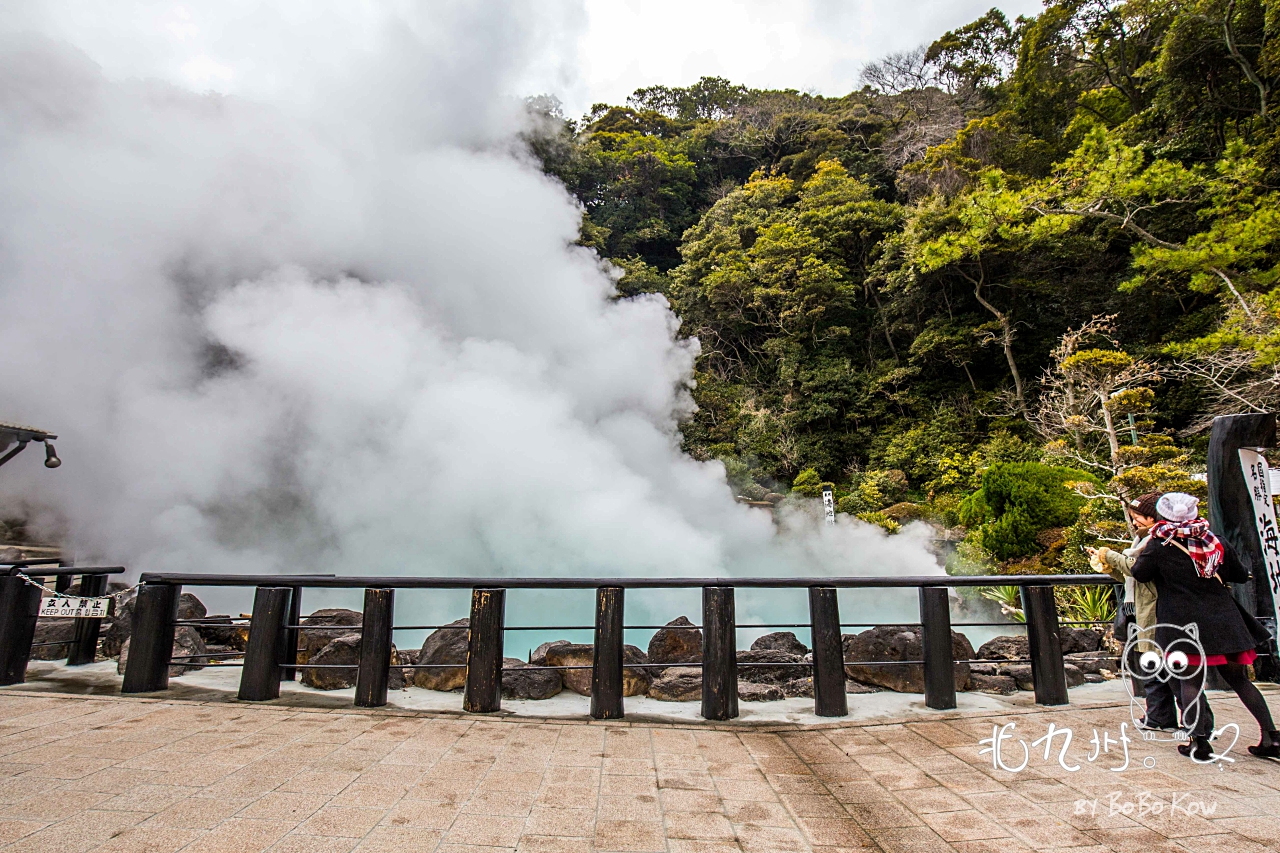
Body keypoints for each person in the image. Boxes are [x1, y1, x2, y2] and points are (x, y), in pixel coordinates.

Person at [1130, 492, 1280, 761]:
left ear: (1164, 515)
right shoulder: (1214, 540)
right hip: (1224, 620)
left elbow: (1140, 573)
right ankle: (1271, 736)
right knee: (1240, 679)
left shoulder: (1159, 544)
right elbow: (1238, 573)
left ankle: (1198, 742)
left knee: (1190, 681)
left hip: (1182, 624)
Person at [1088, 492, 1178, 730]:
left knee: (1165, 669)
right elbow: (1136, 575)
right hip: (1140, 607)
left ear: (1151, 517)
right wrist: (1107, 566)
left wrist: (1108, 554)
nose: (1134, 521)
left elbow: (1137, 568)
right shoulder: (1141, 539)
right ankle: (1162, 717)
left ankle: (1190, 722)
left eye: (1137, 517)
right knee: (1154, 666)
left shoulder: (1157, 540)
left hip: (1156, 610)